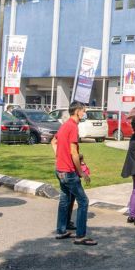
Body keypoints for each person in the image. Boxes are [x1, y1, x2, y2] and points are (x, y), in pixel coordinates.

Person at [53, 101, 96, 245]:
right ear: (77, 111)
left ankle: (61, 230)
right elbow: (73, 152)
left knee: (64, 200)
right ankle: (80, 236)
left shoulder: (65, 125)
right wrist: (81, 172)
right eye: (83, 110)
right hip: (69, 172)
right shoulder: (72, 127)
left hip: (60, 169)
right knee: (83, 201)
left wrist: (60, 156)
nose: (84, 113)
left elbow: (53, 142)